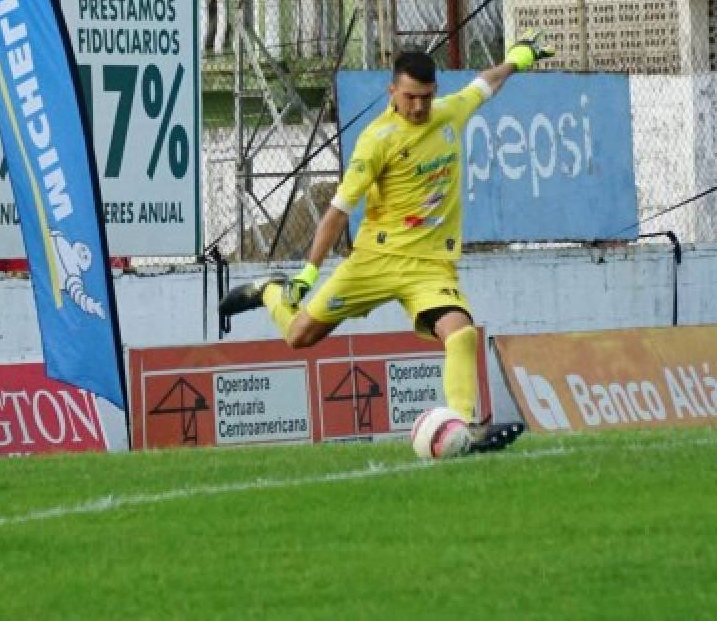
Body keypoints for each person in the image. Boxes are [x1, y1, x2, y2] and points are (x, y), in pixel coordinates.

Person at [219, 33, 553, 455]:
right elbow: (338, 211)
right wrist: (308, 272)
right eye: (410, 97)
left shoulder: (448, 114)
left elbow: (484, 85)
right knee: (300, 336)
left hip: (429, 267)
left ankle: (467, 429)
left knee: (461, 333)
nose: (418, 107)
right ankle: (270, 290)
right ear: (392, 90)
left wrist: (518, 60)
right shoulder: (377, 141)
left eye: (426, 97)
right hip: (374, 260)